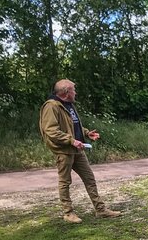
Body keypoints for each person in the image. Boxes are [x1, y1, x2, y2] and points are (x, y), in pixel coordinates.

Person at [39, 79, 121, 223]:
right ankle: (68, 213)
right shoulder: (51, 106)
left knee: (89, 179)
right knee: (65, 182)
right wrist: (71, 141)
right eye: (73, 90)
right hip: (64, 151)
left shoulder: (69, 105)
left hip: (77, 149)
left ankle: (100, 210)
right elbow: (51, 131)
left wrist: (87, 133)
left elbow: (73, 126)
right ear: (66, 92)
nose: (75, 93)